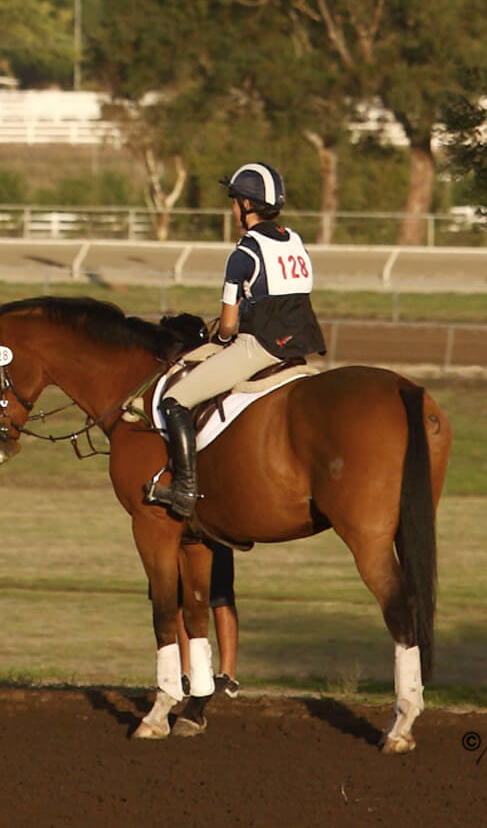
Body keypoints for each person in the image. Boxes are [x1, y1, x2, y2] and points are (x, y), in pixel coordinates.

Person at [145, 162, 326, 519]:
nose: (232, 210)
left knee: (175, 399)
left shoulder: (243, 252)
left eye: (234, 202)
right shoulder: (295, 240)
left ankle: (185, 489)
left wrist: (224, 332)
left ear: (246, 205)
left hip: (259, 346)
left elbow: (227, 325)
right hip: (300, 343)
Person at [178, 540, 241, 697]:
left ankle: (228, 676)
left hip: (212, 527)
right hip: (178, 528)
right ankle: (186, 674)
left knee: (221, 596)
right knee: (180, 598)